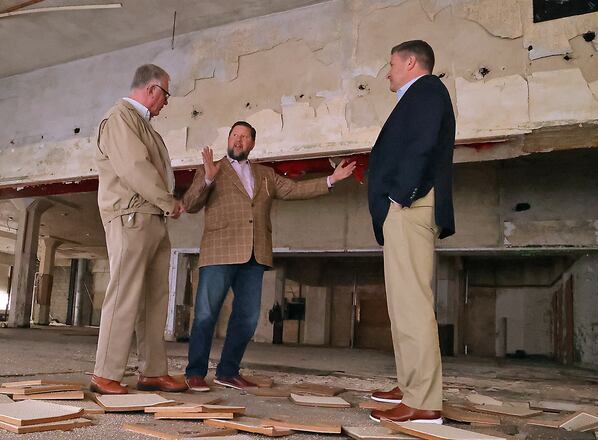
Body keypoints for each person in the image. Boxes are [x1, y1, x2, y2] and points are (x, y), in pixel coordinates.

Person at [182, 121, 356, 391]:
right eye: (234, 135)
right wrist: (207, 178)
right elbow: (190, 204)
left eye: (244, 137)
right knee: (206, 314)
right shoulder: (212, 169)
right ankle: (195, 373)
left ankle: (228, 372)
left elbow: (294, 189)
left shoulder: (264, 174)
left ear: (252, 143)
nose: (238, 141)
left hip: (255, 253)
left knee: (248, 317)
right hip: (219, 250)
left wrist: (331, 179)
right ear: (228, 139)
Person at [366, 40, 455, 424]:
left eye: (391, 64)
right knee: (401, 304)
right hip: (405, 207)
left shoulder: (428, 90)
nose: (388, 72)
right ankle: (409, 385)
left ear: (411, 62)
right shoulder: (417, 96)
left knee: (413, 303)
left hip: (411, 206)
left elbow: (422, 146)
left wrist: (399, 198)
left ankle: (424, 401)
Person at [91, 64, 187, 395]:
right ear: (152, 90)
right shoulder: (120, 118)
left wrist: (166, 204)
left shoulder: (144, 127)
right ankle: (105, 372)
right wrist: (168, 201)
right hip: (131, 215)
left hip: (152, 216)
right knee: (125, 293)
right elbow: (135, 168)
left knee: (154, 298)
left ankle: (152, 371)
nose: (166, 103)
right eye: (166, 95)